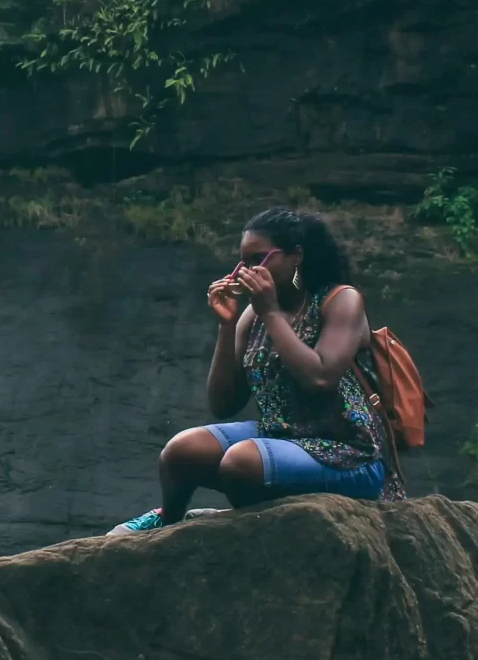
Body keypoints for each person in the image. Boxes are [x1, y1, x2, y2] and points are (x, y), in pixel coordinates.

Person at [115, 207, 387, 532]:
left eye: (258, 259)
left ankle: (236, 523)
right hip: (279, 435)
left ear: (295, 256)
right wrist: (227, 325)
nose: (244, 271)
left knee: (240, 462)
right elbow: (223, 405)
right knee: (181, 451)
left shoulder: (340, 300)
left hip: (348, 453)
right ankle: (168, 523)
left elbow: (320, 377)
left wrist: (271, 312)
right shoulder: (253, 315)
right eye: (242, 261)